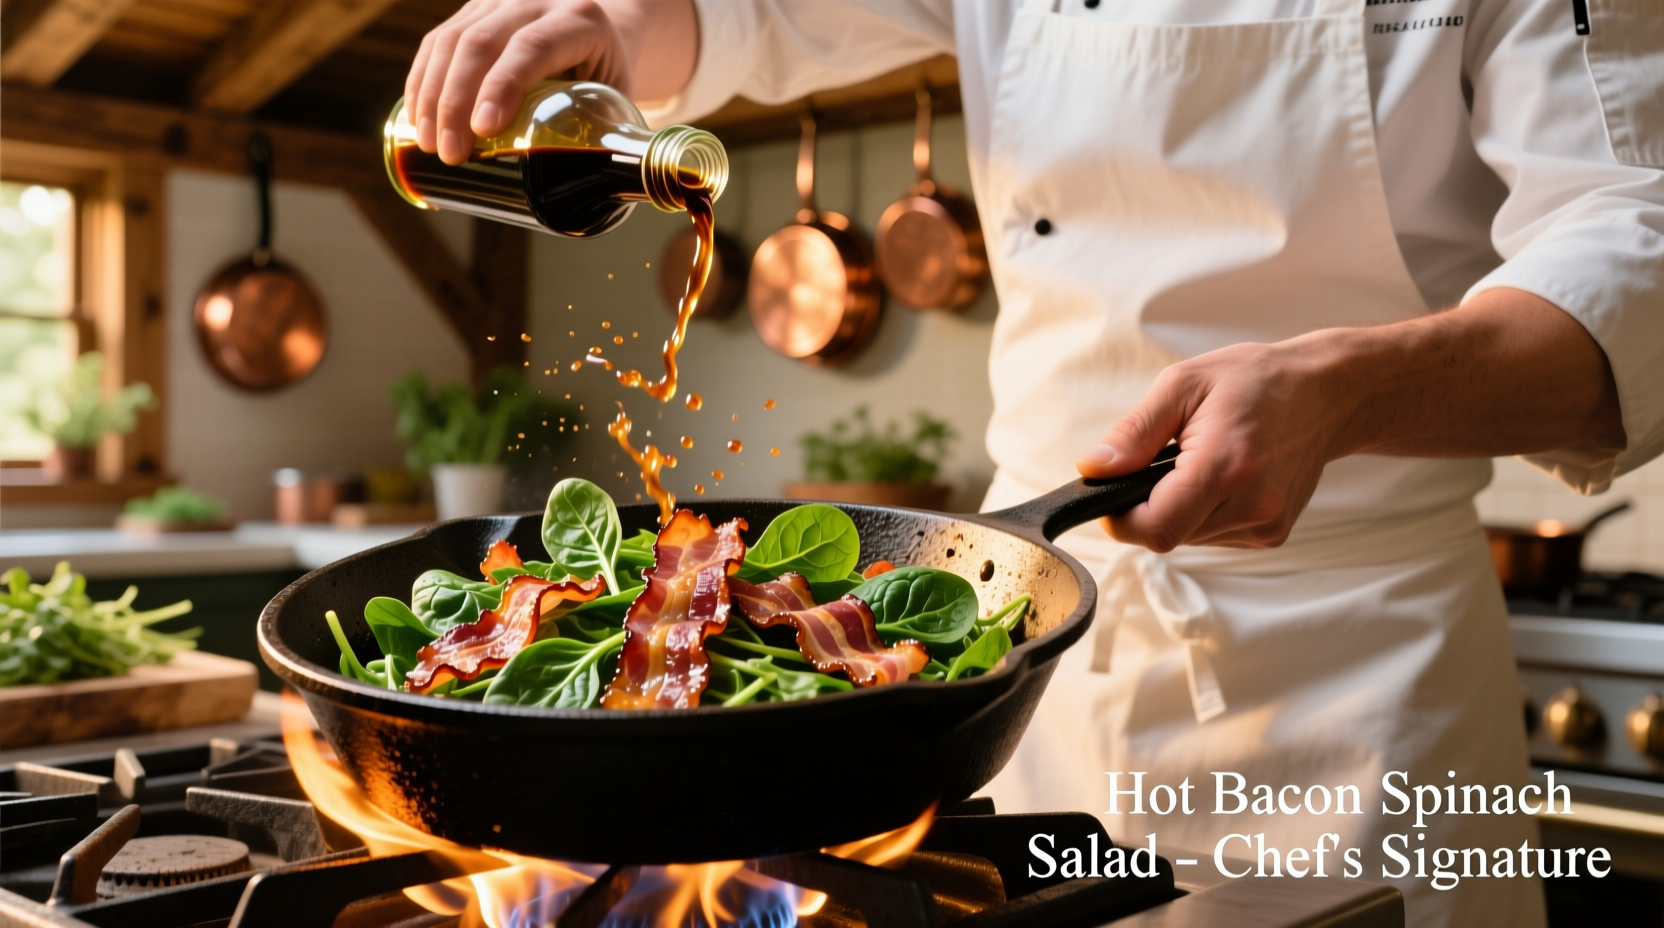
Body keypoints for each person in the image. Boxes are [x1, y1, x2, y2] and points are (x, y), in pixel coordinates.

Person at [403, 1, 1664, 923]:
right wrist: (617, 26)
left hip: (1356, 680)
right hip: (1023, 660)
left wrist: (1346, 387)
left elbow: (1635, 242)